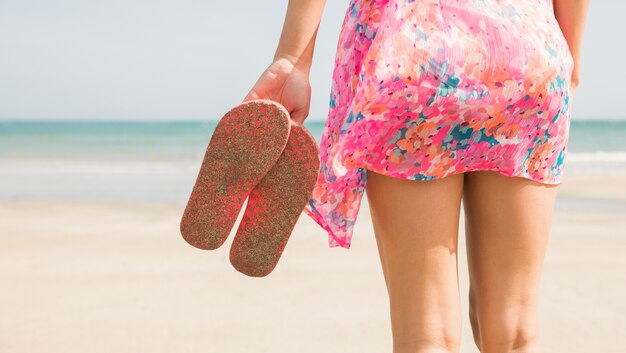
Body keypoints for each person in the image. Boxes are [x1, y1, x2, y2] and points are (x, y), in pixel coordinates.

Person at [243, 0, 589, 352]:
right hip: (526, 50)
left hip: (413, 53)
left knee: (426, 336)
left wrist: (293, 59)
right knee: (514, 333)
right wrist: (568, 60)